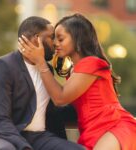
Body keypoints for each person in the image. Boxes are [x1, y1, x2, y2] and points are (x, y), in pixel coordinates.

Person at [18, 13, 136, 150]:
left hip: (114, 126)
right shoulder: (77, 71)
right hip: (92, 132)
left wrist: (40, 62)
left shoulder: (91, 63)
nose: (55, 43)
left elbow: (60, 98)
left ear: (77, 39)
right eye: (55, 38)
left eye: (61, 39)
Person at [0, 16, 85, 150]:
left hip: (39, 137)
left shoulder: (46, 69)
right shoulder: (3, 66)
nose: (56, 43)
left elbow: (53, 110)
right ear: (36, 39)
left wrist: (91, 105)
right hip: (4, 136)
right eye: (51, 37)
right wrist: (23, 146)